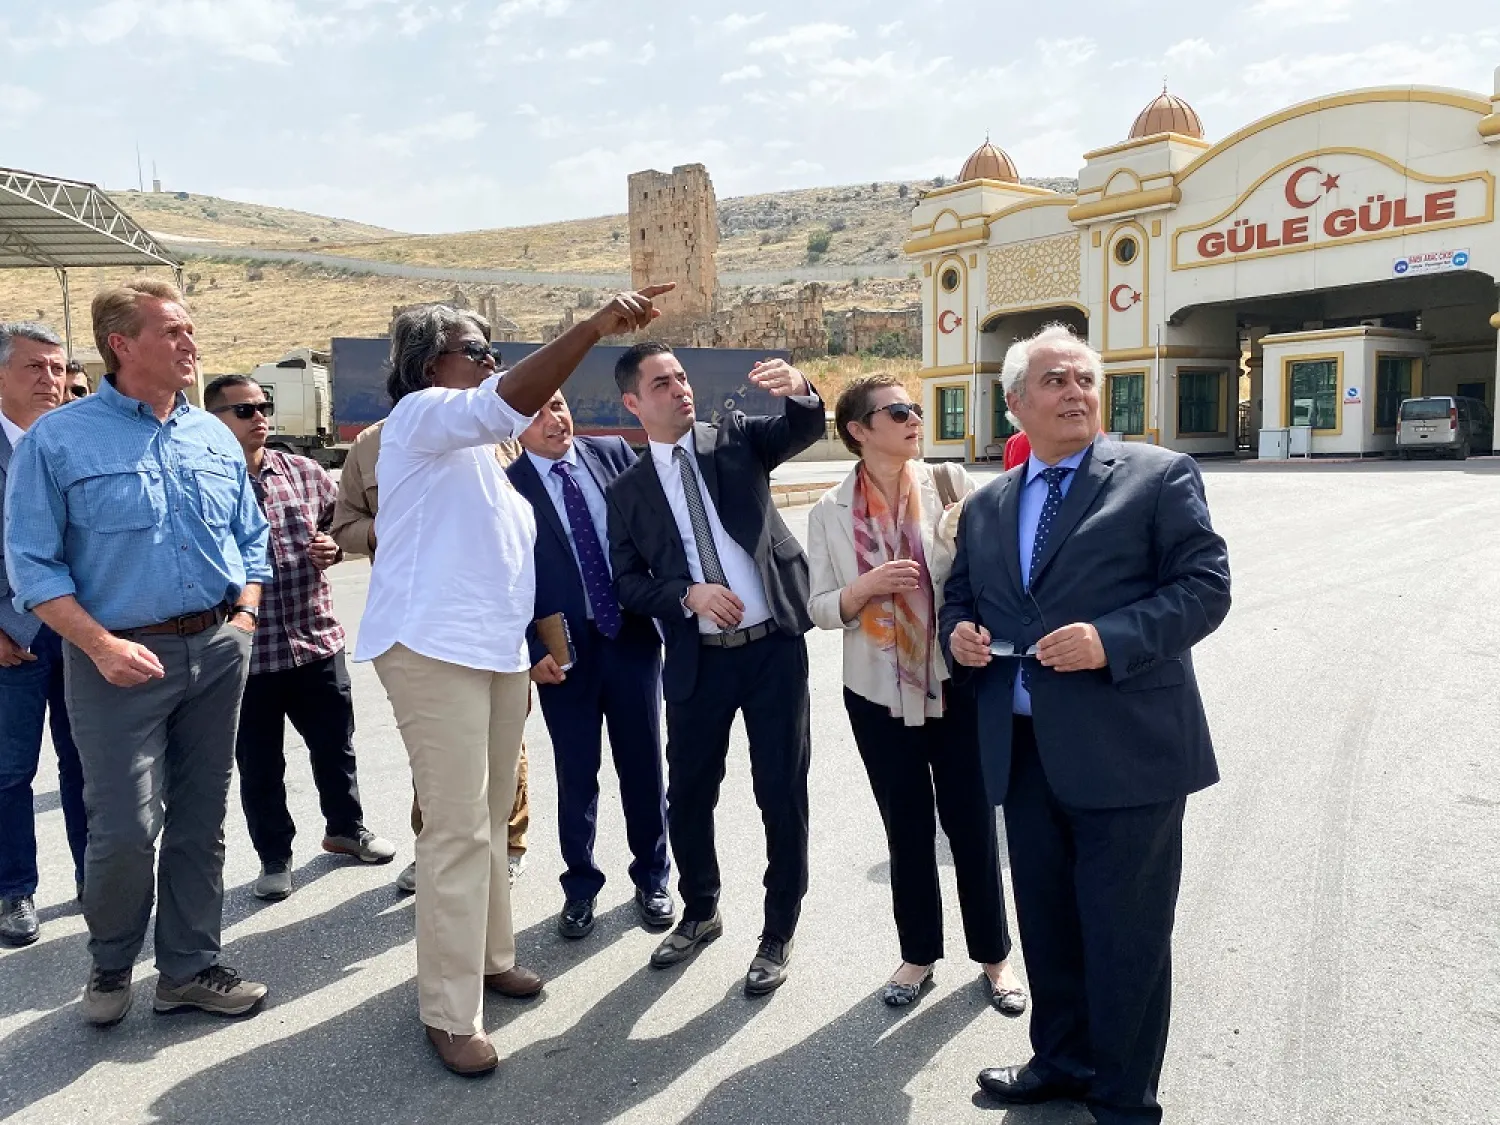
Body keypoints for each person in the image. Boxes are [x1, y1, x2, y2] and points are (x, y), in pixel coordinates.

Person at [354, 287, 668, 1076]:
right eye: (479, 351)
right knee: (457, 829)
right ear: (433, 365)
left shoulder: (486, 458)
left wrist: (532, 642)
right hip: (432, 648)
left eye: (496, 351)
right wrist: (595, 327)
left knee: (492, 818)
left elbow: (506, 561)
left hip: (491, 652)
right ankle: (448, 1009)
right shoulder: (423, 415)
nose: (493, 362)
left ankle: (490, 957)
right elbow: (508, 399)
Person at [940, 324, 1231, 1123]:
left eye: (1085, 380)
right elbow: (963, 597)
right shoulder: (990, 503)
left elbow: (1206, 587)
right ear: (1015, 402)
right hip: (1027, 752)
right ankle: (1060, 1062)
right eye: (1055, 380)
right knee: (1050, 921)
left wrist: (1111, 639)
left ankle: (1123, 1101)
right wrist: (957, 634)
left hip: (1129, 753)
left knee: (1127, 936)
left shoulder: (1158, 476)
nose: (1075, 392)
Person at [4, 279, 271, 1026]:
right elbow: (33, 564)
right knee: (123, 824)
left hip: (216, 649)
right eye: (174, 331)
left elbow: (250, 538)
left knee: (201, 816)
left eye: (191, 330)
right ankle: (111, 959)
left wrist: (244, 618)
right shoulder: (61, 439)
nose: (190, 343)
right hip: (113, 660)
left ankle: (189, 967)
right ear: (122, 344)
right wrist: (97, 644)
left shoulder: (213, 435)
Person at [606, 342, 823, 996]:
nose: (679, 389)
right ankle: (700, 909)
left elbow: (804, 426)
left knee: (780, 790)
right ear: (633, 402)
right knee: (689, 794)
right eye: (661, 382)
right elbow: (625, 583)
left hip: (773, 648)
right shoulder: (629, 490)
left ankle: (778, 928)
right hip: (700, 661)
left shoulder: (734, 440)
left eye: (681, 377)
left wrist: (800, 389)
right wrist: (686, 594)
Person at [805, 373, 1027, 1014]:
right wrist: (865, 587)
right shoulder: (829, 511)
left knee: (972, 826)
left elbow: (998, 570)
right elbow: (819, 607)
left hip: (955, 685)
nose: (913, 419)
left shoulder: (951, 484)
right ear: (858, 430)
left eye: (915, 409)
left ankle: (994, 956)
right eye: (897, 411)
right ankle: (918, 955)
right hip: (875, 691)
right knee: (905, 828)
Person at [205, 374, 396, 901]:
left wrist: (333, 550)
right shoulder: (205, 479)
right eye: (244, 411)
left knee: (336, 746)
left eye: (263, 406)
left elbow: (343, 528)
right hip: (248, 651)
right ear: (213, 419)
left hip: (314, 639)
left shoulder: (304, 471)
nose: (260, 417)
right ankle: (274, 857)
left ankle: (345, 829)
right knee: (260, 763)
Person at [330, 402, 532, 898]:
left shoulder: (495, 433)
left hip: (492, 622)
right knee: (439, 764)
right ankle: (437, 850)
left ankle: (506, 846)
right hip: (422, 627)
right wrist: (386, 527)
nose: (485, 368)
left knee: (507, 757)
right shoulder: (373, 444)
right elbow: (345, 529)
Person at [507, 390, 671, 941]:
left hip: (631, 639)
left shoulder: (612, 455)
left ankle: (653, 878)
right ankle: (580, 887)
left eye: (557, 404)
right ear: (514, 427)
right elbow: (500, 583)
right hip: (563, 656)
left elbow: (656, 531)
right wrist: (531, 653)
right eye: (535, 413)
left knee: (644, 767)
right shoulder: (508, 488)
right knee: (578, 775)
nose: (554, 419)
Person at [0, 322, 88, 946]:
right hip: (12, 639)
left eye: (56, 369)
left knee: (90, 762)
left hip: (82, 631)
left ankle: (99, 880)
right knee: (9, 772)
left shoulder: (76, 443)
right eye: (34, 367)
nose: (50, 381)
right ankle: (12, 891)